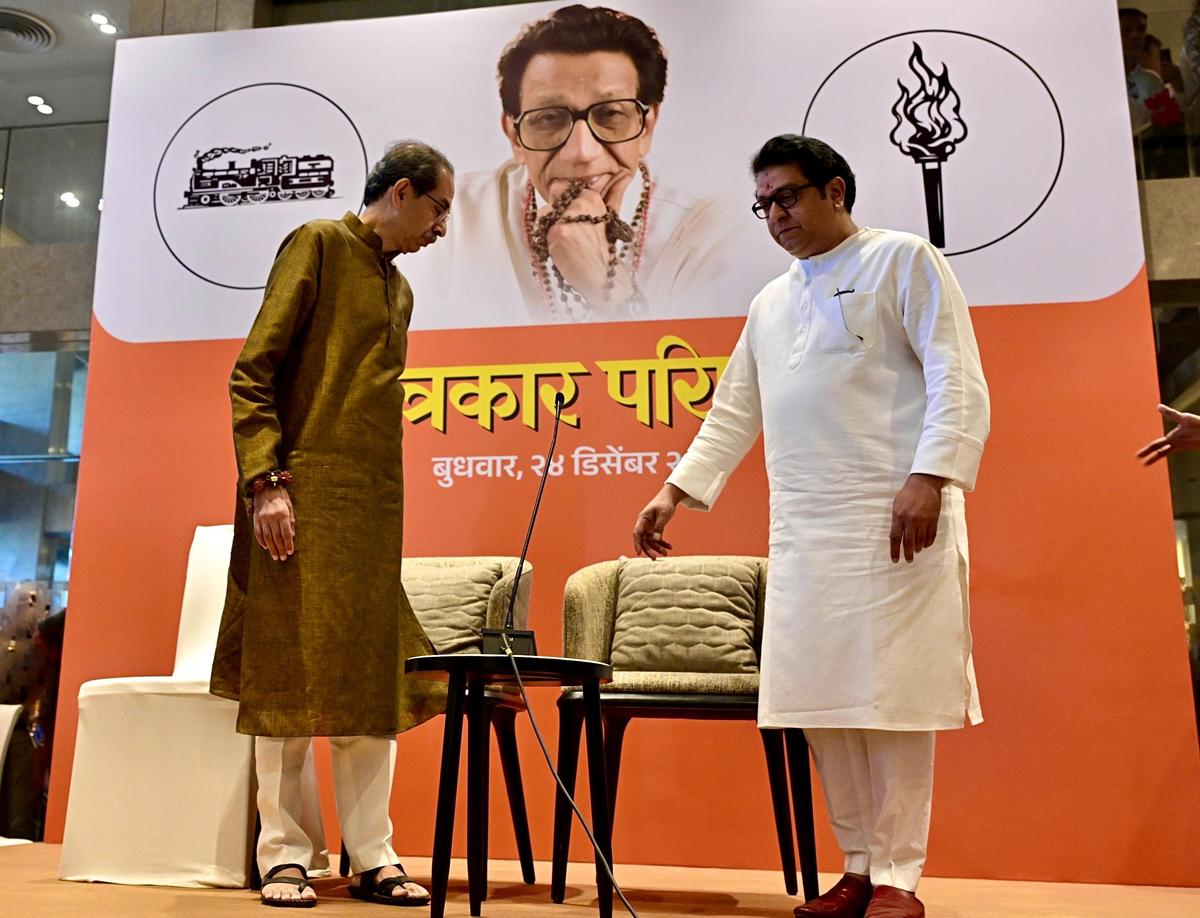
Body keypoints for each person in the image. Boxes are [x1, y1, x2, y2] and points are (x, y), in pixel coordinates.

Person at [632, 135, 989, 918]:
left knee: (890, 702)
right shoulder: (772, 301)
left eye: (787, 197)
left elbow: (956, 374)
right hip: (806, 530)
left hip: (897, 519)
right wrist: (676, 491)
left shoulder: (904, 261)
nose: (774, 216)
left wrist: (930, 476)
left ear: (835, 190)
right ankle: (857, 864)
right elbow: (734, 409)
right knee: (823, 703)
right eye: (763, 204)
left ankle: (899, 877)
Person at [209, 140, 455, 907]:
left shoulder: (401, 289)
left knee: (366, 683)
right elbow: (252, 371)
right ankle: (283, 855)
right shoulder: (317, 242)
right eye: (441, 208)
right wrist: (266, 483)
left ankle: (372, 855)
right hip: (297, 496)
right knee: (289, 677)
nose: (443, 227)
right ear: (406, 191)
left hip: (373, 510)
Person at [401, 3, 779, 327]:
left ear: (647, 126)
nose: (581, 152)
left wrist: (607, 289)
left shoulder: (707, 233)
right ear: (514, 135)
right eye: (549, 118)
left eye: (611, 114)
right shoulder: (453, 220)